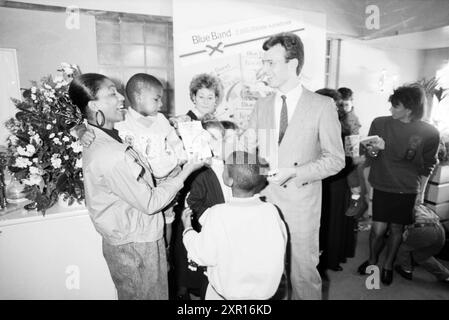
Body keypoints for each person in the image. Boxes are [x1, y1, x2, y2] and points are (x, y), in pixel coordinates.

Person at [68, 73, 203, 299]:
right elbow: (150, 202)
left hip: (136, 234)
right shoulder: (110, 153)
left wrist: (81, 128)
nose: (121, 96)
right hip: (135, 244)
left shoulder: (108, 132)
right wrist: (187, 171)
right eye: (112, 93)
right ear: (94, 104)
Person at [242, 32, 345, 300]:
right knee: (269, 275)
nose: (264, 69)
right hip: (263, 203)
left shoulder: (323, 105)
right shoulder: (262, 104)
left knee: (303, 276)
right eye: (263, 62)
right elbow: (245, 148)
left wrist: (296, 172)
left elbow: (335, 159)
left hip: (302, 205)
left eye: (271, 63)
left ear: (293, 64)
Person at [77, 73, 187, 250]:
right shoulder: (121, 119)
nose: (161, 104)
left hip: (165, 177)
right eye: (157, 99)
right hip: (140, 186)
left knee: (168, 219)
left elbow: (174, 142)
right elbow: (91, 124)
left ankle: (166, 252)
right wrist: (81, 131)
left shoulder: (161, 119)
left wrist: (181, 163)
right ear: (139, 97)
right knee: (152, 221)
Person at [358, 85, 440, 285]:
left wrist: (420, 193)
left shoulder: (429, 132)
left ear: (409, 109)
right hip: (382, 184)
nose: (391, 110)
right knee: (377, 230)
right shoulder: (380, 123)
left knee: (396, 230)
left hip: (407, 188)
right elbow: (371, 154)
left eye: (396, 106)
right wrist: (374, 151)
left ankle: (387, 265)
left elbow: (428, 165)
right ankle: (372, 261)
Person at [181, 151, 287, 299]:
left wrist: (188, 229)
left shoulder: (218, 214)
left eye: (225, 167)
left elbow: (202, 255)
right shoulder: (272, 211)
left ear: (230, 181)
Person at [173, 120, 233, 300]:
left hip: (225, 233)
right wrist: (212, 219)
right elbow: (192, 203)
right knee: (201, 284)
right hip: (206, 233)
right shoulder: (199, 171)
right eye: (208, 138)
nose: (213, 142)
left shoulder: (227, 166)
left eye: (217, 138)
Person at [315, 88, 358, 274]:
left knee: (332, 222)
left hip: (335, 182)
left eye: (336, 106)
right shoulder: (310, 125)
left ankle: (330, 259)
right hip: (317, 181)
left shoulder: (344, 128)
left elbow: (349, 160)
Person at [395, 204, 449, 284]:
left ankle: (406, 270)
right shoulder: (418, 205)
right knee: (422, 256)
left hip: (423, 230)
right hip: (440, 230)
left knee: (402, 246)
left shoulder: (400, 207)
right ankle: (446, 276)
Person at [337, 87, 368, 218]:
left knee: (352, 176)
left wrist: (352, 157)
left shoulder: (351, 117)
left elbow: (352, 137)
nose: (343, 108)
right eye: (340, 105)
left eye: (346, 105)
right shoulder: (339, 115)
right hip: (342, 147)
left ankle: (356, 200)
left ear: (351, 103)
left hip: (351, 144)